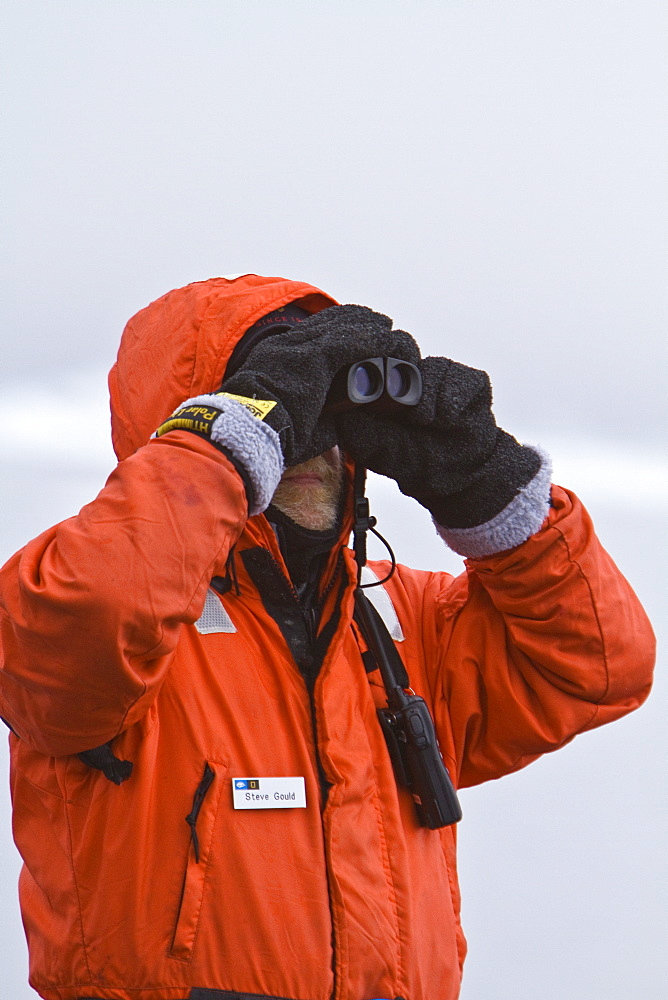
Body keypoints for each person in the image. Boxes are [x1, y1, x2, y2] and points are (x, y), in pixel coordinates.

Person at [0, 273, 654, 1000]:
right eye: (286, 419)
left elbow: (599, 666)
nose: (311, 446)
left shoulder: (400, 620)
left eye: (328, 419)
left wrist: (488, 484)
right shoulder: (99, 616)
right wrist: (233, 442)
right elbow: (94, 612)